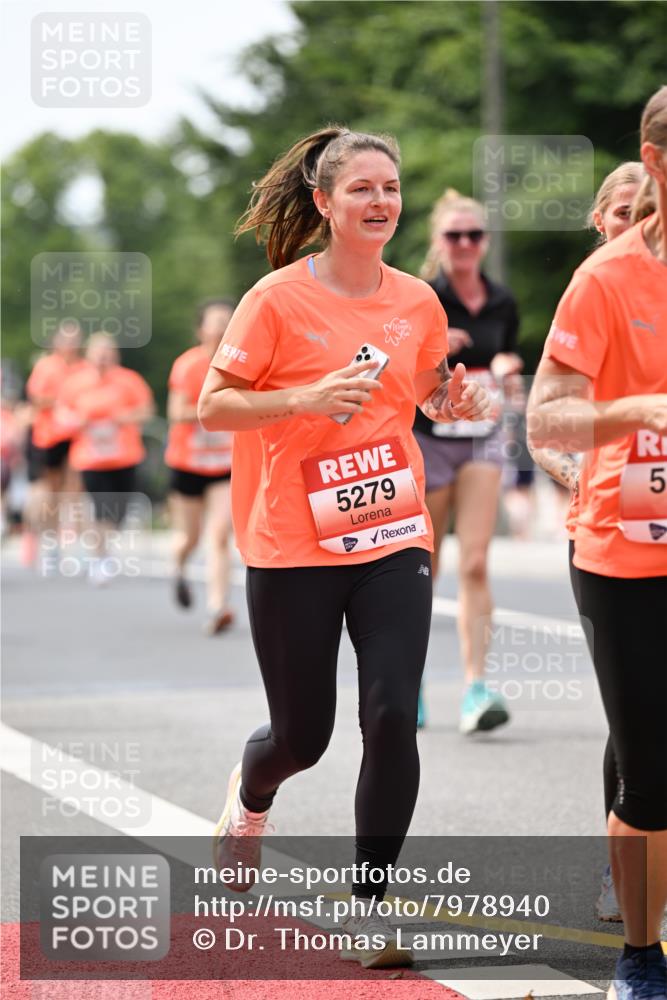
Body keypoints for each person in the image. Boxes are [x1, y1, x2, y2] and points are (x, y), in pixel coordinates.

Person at [198, 126, 491, 969]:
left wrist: (455, 403)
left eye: (390, 188)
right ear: (323, 203)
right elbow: (215, 407)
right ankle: (250, 799)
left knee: (393, 713)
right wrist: (305, 396)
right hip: (291, 542)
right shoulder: (276, 300)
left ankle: (371, 905)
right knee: (303, 737)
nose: (380, 202)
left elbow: (430, 394)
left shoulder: (417, 302)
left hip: (390, 530)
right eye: (360, 188)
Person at [527, 87, 667, 1000]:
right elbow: (547, 414)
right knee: (649, 771)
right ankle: (640, 955)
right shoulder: (608, 279)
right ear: (656, 162)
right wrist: (630, 411)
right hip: (627, 555)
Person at [413, 189, 523, 734]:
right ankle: (410, 684)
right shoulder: (422, 297)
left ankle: (476, 689)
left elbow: (506, 359)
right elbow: (400, 367)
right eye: (453, 235)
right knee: (424, 567)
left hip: (481, 437)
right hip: (429, 438)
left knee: (475, 562)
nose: (463, 244)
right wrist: (435, 352)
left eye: (473, 235)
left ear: (484, 242)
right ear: (439, 241)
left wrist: (505, 366)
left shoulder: (502, 301)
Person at [57, 333, 154, 585]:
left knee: (119, 511)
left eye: (107, 352)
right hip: (90, 458)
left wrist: (126, 417)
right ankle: (100, 558)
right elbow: (61, 413)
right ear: (88, 355)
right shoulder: (75, 383)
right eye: (97, 352)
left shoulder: (129, 381)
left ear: (115, 355)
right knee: (101, 508)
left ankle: (103, 548)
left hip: (125, 456)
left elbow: (147, 410)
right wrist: (77, 421)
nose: (102, 357)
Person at [165, 299, 236, 635]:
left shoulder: (241, 363)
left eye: (228, 321)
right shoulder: (187, 365)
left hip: (225, 463)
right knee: (189, 538)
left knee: (219, 534)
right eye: (215, 322)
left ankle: (217, 606)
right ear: (201, 329)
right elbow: (176, 412)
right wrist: (215, 409)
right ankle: (178, 565)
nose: (222, 327)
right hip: (188, 463)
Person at [23, 322, 89, 567]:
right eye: (66, 340)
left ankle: (72, 539)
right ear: (56, 342)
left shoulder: (85, 368)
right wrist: (62, 400)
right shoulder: (47, 366)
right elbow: (37, 398)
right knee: (49, 491)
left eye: (75, 340)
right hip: (49, 437)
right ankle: (48, 541)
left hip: (77, 437)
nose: (71, 345)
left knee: (74, 489)